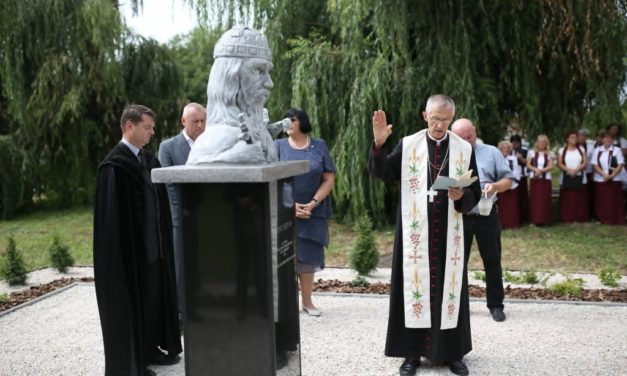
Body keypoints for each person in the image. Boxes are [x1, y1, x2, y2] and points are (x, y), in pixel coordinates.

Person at [368, 95, 481, 376]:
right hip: (414, 234)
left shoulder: (464, 149)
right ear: (424, 115)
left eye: (444, 119)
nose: (439, 124)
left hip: (448, 236)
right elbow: (382, 172)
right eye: (434, 118)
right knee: (413, 288)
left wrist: (461, 195)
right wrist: (380, 144)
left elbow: (474, 193)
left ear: (451, 119)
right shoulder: (409, 145)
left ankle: (452, 353)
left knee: (449, 288)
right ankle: (411, 354)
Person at [93, 105, 182, 376]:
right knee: (133, 304)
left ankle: (150, 348)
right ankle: (133, 365)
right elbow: (111, 222)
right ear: (129, 126)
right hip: (131, 255)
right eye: (147, 127)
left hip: (154, 250)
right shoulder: (114, 166)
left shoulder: (149, 161)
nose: (152, 133)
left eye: (152, 128)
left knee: (152, 301)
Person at [274, 108, 336, 317]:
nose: (288, 123)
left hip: (312, 212)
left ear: (302, 121)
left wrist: (312, 203)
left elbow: (328, 177)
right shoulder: (277, 147)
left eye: (292, 119)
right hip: (284, 212)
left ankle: (307, 302)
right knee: (283, 258)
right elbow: (272, 179)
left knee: (308, 258)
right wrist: (290, 207)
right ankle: (285, 304)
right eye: (285, 120)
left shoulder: (319, 146)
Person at [186, 26, 278, 165]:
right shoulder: (212, 142)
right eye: (259, 70)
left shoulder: (261, 133)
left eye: (267, 71)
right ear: (231, 77)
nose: (269, 83)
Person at [451, 120, 513, 323]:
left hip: (487, 214)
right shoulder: (449, 154)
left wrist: (495, 186)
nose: (468, 141)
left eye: (470, 136)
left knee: (493, 261)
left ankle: (496, 305)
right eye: (463, 138)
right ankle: (458, 307)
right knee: (457, 263)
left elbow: (508, 180)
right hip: (459, 217)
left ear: (475, 132)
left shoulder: (492, 152)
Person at [158, 102, 207, 322]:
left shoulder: (212, 145)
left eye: (203, 120)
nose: (200, 125)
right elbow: (168, 185)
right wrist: (179, 214)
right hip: (181, 215)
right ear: (183, 121)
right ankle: (180, 313)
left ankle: (202, 305)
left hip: (209, 214)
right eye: (195, 121)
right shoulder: (168, 147)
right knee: (180, 264)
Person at [592, 131, 626, 225]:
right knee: (602, 201)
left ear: (613, 140)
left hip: (615, 179)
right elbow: (595, 165)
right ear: (602, 139)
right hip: (600, 179)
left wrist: (611, 176)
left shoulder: (617, 150)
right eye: (606, 138)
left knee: (614, 200)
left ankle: (616, 219)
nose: (608, 140)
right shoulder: (597, 150)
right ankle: (602, 219)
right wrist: (604, 175)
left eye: (610, 138)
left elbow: (620, 164)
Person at [557, 130, 588, 223]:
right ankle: (567, 217)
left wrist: (576, 170)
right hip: (566, 176)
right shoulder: (562, 150)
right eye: (572, 137)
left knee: (579, 198)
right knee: (568, 198)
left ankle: (580, 217)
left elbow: (585, 162)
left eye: (576, 137)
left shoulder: (581, 149)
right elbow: (560, 163)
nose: (574, 139)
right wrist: (569, 170)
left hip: (579, 176)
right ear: (567, 139)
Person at [526, 134, 554, 226]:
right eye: (540, 142)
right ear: (537, 143)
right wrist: (535, 170)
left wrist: (541, 170)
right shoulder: (531, 153)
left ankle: (545, 220)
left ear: (546, 143)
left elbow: (551, 166)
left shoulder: (550, 153)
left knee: (544, 200)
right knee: (535, 200)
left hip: (546, 180)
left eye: (543, 142)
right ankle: (535, 220)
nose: (541, 144)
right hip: (535, 179)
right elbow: (528, 164)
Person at [497, 141, 521, 229]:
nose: (506, 149)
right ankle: (502, 223)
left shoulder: (513, 159)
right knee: (502, 205)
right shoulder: (497, 158)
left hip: (511, 184)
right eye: (504, 147)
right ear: (500, 149)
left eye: (508, 148)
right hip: (500, 184)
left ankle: (512, 224)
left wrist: (510, 179)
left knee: (512, 206)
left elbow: (516, 170)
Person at [510, 135, 529, 223]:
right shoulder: (508, 151)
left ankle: (524, 216)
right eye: (513, 143)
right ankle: (515, 216)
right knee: (514, 197)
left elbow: (528, 163)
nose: (515, 145)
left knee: (523, 196)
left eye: (517, 143)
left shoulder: (524, 151)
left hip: (522, 176)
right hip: (511, 177)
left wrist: (520, 158)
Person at [578, 129, 596, 220]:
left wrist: (593, 172)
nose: (582, 137)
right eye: (580, 135)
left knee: (589, 192)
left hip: (589, 171)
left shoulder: (591, 145)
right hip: (577, 172)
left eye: (584, 136)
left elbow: (594, 160)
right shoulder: (574, 145)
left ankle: (590, 212)